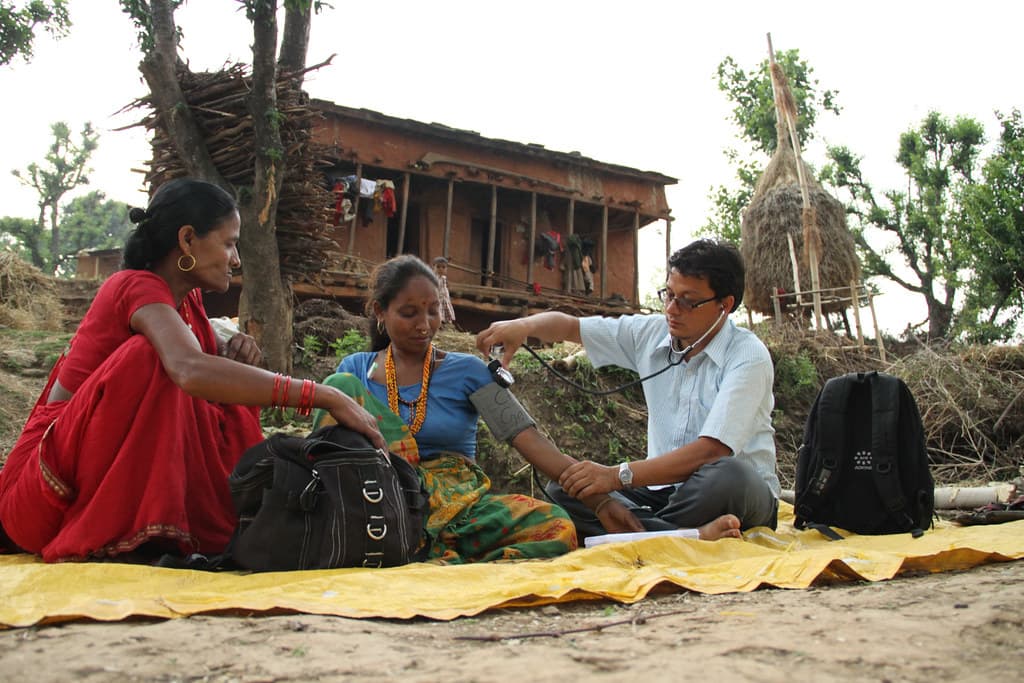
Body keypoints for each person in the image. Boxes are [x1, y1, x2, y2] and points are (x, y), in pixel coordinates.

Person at [0, 178, 385, 564]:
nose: (236, 259)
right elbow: (188, 369)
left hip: (74, 484)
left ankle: (193, 529)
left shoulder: (187, 303)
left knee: (222, 380)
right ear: (187, 240)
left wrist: (229, 359)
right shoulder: (134, 286)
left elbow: (202, 377)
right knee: (152, 358)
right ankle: (130, 536)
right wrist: (324, 395)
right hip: (41, 498)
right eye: (229, 243)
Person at [313, 255, 648, 563]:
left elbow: (529, 439)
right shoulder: (356, 371)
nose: (424, 325)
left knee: (555, 525)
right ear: (380, 312)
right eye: (409, 313)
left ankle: (437, 557)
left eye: (433, 311)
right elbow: (330, 454)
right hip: (382, 505)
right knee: (337, 388)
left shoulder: (468, 371)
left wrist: (600, 502)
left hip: (460, 510)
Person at [477, 238, 779, 540]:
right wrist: (524, 327)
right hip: (661, 494)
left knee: (729, 475)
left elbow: (711, 452)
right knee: (568, 485)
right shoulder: (651, 332)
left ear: (724, 305)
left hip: (729, 492)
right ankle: (682, 535)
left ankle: (647, 532)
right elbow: (571, 327)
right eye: (669, 295)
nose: (672, 309)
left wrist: (616, 476)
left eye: (688, 301)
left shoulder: (747, 355)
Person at [432, 256, 456, 325]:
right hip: (437, 299)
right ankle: (438, 324)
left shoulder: (444, 278)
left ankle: (446, 324)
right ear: (433, 267)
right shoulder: (433, 278)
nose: (441, 269)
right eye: (438, 267)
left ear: (446, 268)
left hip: (445, 299)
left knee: (446, 312)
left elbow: (445, 287)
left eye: (443, 267)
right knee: (438, 312)